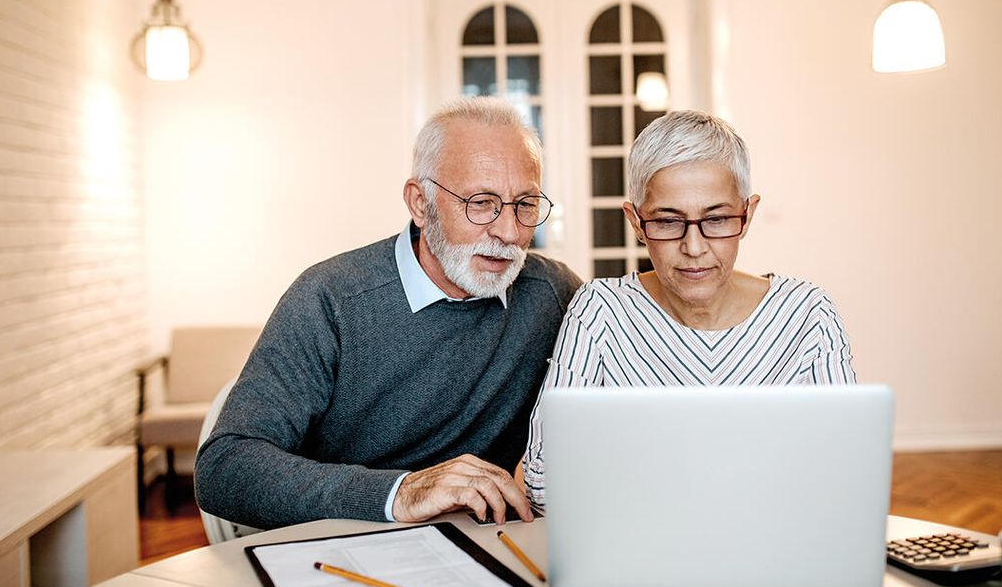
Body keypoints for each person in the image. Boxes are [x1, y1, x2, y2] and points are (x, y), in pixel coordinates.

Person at [196, 97, 580, 529]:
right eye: (480, 203)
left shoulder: (553, 292)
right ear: (420, 203)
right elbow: (224, 468)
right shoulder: (331, 299)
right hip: (347, 549)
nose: (509, 233)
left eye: (525, 205)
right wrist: (402, 492)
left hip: (495, 546)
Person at [522, 109, 856, 508]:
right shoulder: (600, 311)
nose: (694, 248)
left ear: (747, 214)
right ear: (635, 221)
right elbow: (541, 479)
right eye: (667, 222)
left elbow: (848, 473)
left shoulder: (807, 314)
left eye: (716, 219)